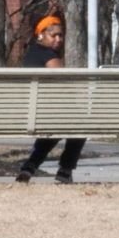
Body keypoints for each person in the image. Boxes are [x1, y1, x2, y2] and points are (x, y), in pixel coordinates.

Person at [16, 14, 84, 184]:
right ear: (41, 35)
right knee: (80, 125)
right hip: (47, 112)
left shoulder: (31, 54)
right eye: (54, 35)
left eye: (61, 35)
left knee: (59, 125)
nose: (59, 39)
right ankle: (65, 170)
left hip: (35, 113)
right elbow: (64, 83)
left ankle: (30, 167)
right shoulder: (48, 56)